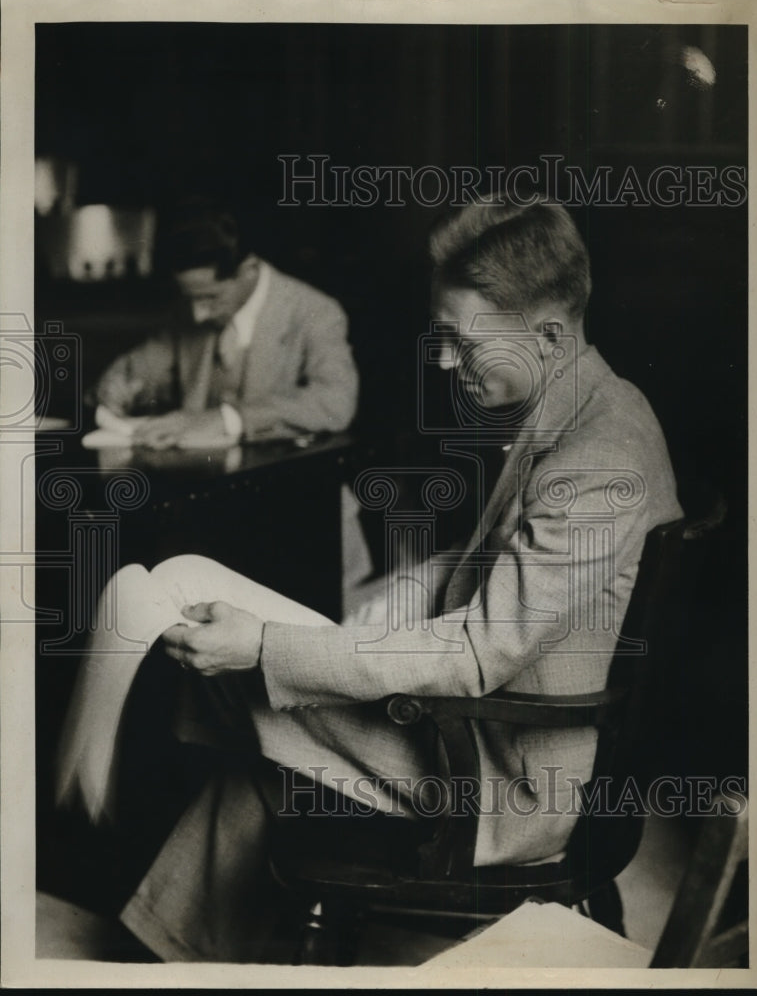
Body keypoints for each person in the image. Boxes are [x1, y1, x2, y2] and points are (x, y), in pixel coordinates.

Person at [60, 199, 682, 962]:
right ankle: (165, 955)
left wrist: (267, 646)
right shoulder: (585, 408)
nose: (446, 360)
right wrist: (373, 614)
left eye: (461, 340)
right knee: (262, 740)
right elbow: (485, 566)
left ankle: (115, 851)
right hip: (495, 731)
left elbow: (479, 656)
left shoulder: (595, 459)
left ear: (548, 336)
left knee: (244, 689)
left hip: (507, 781)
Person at [93, 198, 359, 447]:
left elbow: (335, 402)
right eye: (191, 299)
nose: (198, 315)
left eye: (211, 297)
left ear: (249, 270)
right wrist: (115, 390)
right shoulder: (189, 311)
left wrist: (229, 419)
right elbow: (134, 372)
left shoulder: (316, 312)